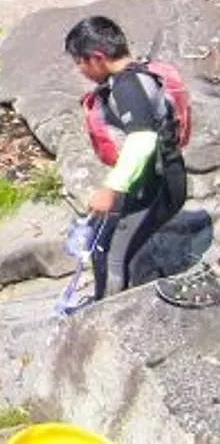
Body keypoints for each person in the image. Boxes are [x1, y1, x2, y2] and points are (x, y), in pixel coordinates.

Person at [64, 15, 187, 301]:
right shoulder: (134, 75)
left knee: (110, 256)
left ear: (97, 58)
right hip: (147, 182)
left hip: (157, 187)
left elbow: (143, 140)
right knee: (103, 244)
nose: (79, 70)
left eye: (80, 62)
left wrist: (111, 188)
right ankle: (110, 303)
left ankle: (109, 317)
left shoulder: (128, 86)